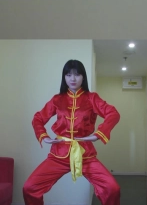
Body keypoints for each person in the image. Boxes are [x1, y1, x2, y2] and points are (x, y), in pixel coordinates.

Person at [23, 60, 121, 205]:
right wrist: (44, 136)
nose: (73, 79)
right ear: (64, 77)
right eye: (68, 75)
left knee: (112, 188)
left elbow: (113, 113)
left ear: (83, 77)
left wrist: (98, 134)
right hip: (59, 154)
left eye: (77, 74)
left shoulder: (92, 98)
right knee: (29, 187)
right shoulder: (57, 99)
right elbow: (38, 118)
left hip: (85, 154)